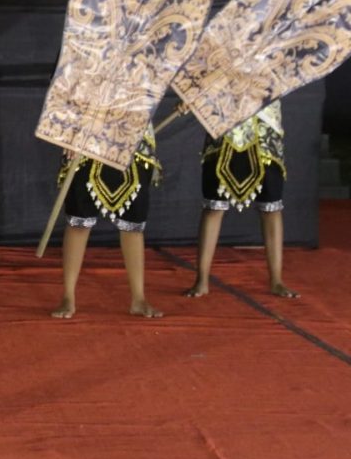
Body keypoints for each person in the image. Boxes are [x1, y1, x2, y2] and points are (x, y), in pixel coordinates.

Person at [182, 101, 298, 299]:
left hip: (264, 123)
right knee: (214, 205)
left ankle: (277, 280)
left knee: (271, 206)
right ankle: (201, 279)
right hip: (224, 118)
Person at [51, 127, 164, 319]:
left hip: (133, 137)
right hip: (87, 136)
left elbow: (148, 97)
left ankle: (138, 298)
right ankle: (68, 295)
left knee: (133, 224)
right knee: (79, 221)